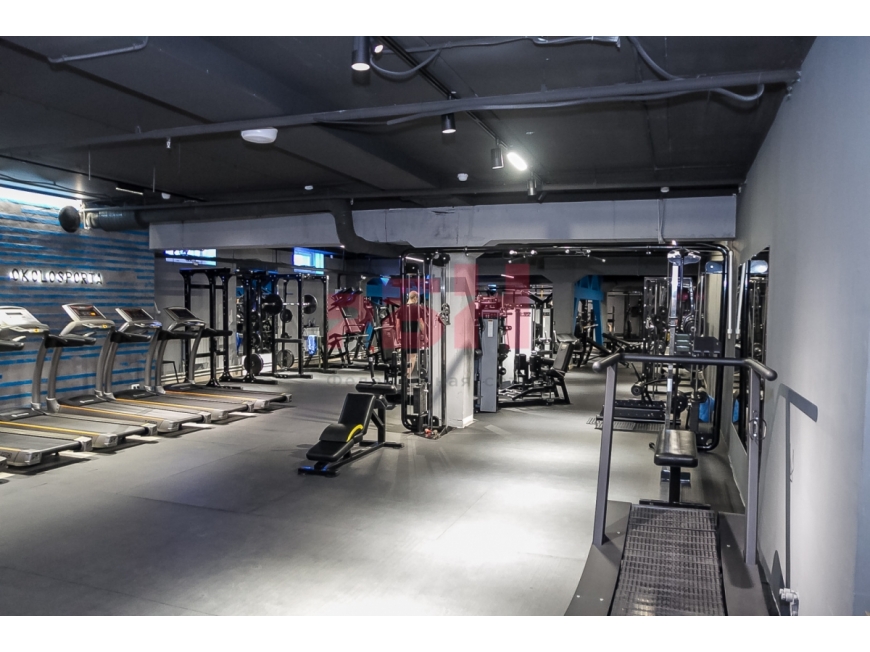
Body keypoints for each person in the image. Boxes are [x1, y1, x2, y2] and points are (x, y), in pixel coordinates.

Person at [399, 290, 426, 378]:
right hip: (413, 335)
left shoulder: (402, 308)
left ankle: (404, 376)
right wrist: (425, 335)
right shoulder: (417, 308)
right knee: (413, 355)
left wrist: (398, 336)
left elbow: (397, 323)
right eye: (417, 298)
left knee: (405, 355)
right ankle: (407, 376)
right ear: (415, 298)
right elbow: (421, 323)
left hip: (404, 335)